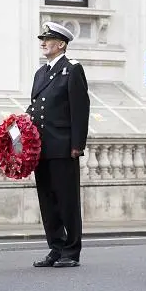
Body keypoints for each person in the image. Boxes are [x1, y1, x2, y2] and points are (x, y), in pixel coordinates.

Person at [26, 22, 90, 268]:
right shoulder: (40, 73)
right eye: (42, 39)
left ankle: (71, 251)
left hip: (63, 145)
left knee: (66, 200)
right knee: (48, 199)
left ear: (61, 44)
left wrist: (77, 144)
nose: (43, 43)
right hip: (40, 147)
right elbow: (35, 109)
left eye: (48, 39)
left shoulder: (72, 70)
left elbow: (80, 109)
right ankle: (56, 246)